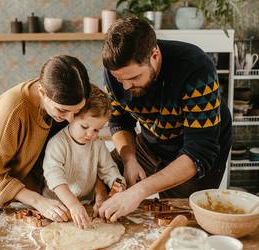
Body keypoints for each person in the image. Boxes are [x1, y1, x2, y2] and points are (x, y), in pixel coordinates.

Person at [98, 17, 232, 222]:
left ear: (154, 55)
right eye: (119, 80)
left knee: (175, 218)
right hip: (152, 138)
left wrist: (139, 191)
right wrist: (129, 159)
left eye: (134, 78)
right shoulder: (117, 71)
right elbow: (119, 122)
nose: (125, 87)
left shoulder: (195, 69)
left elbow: (198, 153)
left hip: (198, 149)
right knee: (101, 174)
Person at [0, 55, 95, 223]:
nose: (70, 119)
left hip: (25, 195)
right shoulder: (13, 110)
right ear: (42, 92)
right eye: (62, 110)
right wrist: (39, 201)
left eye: (76, 111)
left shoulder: (60, 95)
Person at [42, 85, 126, 228]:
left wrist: (117, 186)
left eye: (96, 130)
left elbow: (109, 170)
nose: (90, 135)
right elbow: (54, 178)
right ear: (72, 116)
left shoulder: (97, 143)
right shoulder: (57, 144)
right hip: (57, 207)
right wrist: (73, 204)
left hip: (86, 205)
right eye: (85, 127)